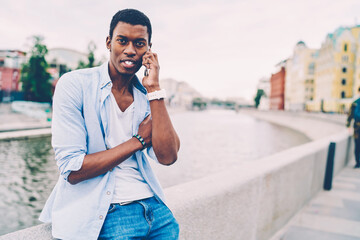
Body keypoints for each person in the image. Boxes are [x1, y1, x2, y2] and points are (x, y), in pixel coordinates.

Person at [39, 9, 180, 239]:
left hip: (156, 212)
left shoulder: (147, 96)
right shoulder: (75, 85)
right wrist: (138, 141)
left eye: (139, 44)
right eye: (122, 41)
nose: (130, 50)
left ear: (149, 49)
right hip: (109, 214)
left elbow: (168, 157)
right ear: (109, 42)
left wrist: (154, 89)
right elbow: (72, 169)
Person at [346, 87, 360, 168]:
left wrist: (348, 125)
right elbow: (350, 115)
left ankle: (358, 162)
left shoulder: (355, 103)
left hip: (357, 127)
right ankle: (358, 162)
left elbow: (350, 115)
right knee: (357, 145)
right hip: (357, 128)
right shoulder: (355, 103)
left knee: (357, 144)